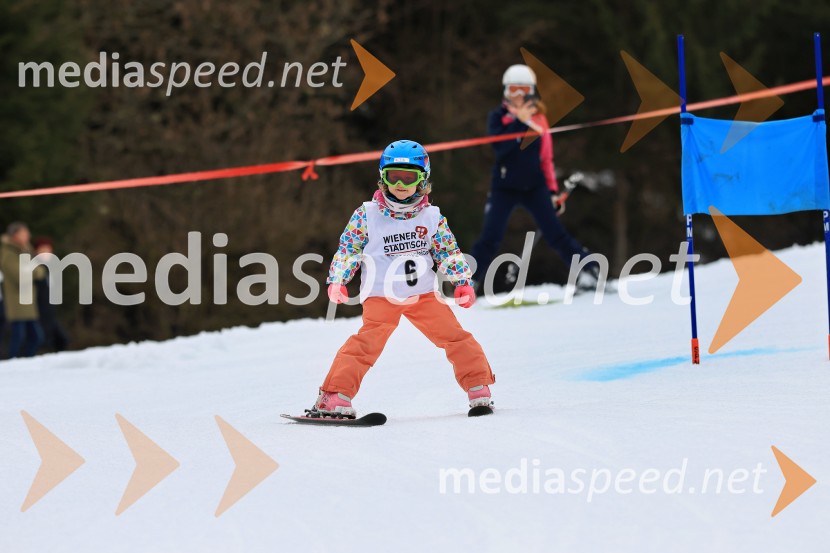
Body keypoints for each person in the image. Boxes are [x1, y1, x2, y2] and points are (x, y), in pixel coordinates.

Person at [310, 139, 496, 417]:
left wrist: (462, 282)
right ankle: (335, 396)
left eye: (409, 177)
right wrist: (338, 279)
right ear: (383, 177)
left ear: (422, 180)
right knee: (366, 344)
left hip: (422, 294)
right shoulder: (367, 215)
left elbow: (448, 251)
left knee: (455, 337)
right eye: (392, 176)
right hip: (381, 294)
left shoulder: (432, 217)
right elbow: (349, 249)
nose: (400, 184)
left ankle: (478, 387)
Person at [470, 64, 597, 291]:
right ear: (505, 92)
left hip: (534, 187)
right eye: (513, 90)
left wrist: (552, 191)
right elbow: (501, 149)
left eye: (523, 90)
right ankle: (468, 281)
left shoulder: (539, 120)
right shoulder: (498, 118)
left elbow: (546, 158)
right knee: (490, 236)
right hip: (504, 187)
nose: (518, 96)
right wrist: (519, 120)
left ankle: (589, 270)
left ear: (531, 92)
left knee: (555, 233)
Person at [0, 222, 45, 358]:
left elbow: (40, 270)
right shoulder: (8, 253)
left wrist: (33, 270)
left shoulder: (25, 250)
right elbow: (20, 275)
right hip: (16, 301)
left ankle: (23, 363)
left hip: (27, 301)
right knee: (21, 337)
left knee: (34, 337)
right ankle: (13, 363)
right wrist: (34, 270)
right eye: (24, 233)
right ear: (15, 235)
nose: (28, 235)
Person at [31, 237, 70, 353]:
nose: (46, 253)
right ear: (36, 251)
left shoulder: (51, 265)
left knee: (62, 340)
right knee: (43, 340)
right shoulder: (34, 266)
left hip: (50, 309)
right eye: (43, 250)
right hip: (38, 309)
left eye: (48, 250)